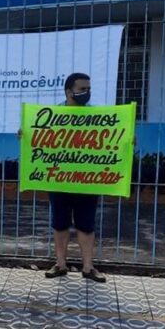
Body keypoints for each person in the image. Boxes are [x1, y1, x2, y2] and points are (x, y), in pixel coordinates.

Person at [41, 72, 107, 283]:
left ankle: (88, 267)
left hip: (87, 181)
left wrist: (127, 138)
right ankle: (60, 264)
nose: (86, 93)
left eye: (88, 89)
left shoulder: (97, 115)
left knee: (86, 225)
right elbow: (39, 138)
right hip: (59, 179)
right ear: (69, 91)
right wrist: (25, 135)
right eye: (82, 89)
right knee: (60, 224)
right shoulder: (53, 114)